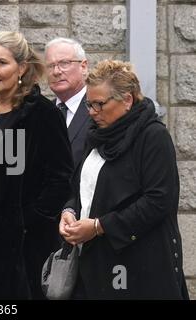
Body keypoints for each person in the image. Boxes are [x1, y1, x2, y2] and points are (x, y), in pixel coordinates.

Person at [59, 60, 189, 299]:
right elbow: (82, 188)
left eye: (99, 104)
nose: (92, 112)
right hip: (92, 265)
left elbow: (159, 200)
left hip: (137, 268)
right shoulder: (96, 136)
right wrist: (69, 210)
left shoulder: (153, 136)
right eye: (89, 104)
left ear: (127, 100)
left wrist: (100, 226)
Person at [0, 31, 74, 299]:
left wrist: (22, 223)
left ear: (21, 67)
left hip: (23, 250)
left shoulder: (42, 114)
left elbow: (60, 179)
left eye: (1, 63)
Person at [45, 37, 91, 168]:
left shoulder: (100, 109)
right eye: (50, 66)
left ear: (83, 67)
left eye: (64, 63)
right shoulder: (41, 113)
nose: (56, 72)